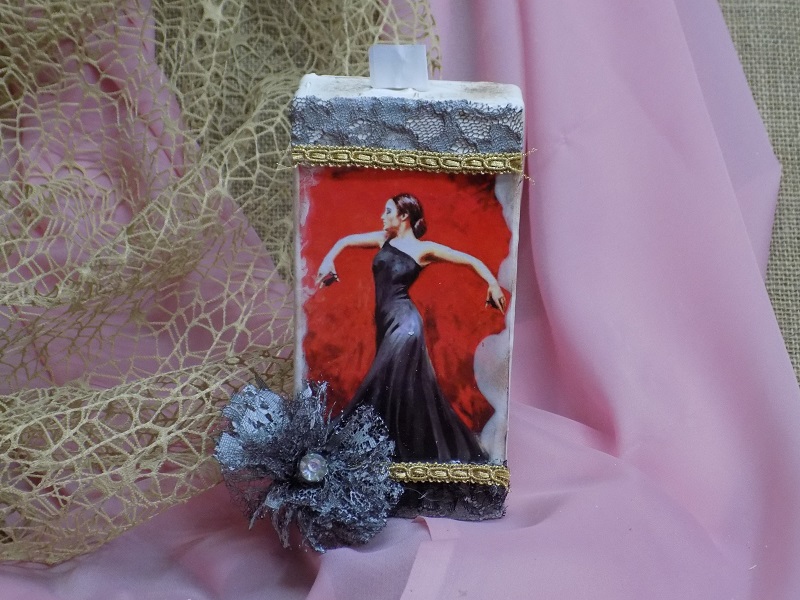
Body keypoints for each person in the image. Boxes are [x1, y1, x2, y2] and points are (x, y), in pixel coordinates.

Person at [315, 193, 505, 462]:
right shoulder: (384, 239)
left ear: (404, 216)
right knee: (400, 389)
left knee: (381, 383)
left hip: (406, 326)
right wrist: (328, 260)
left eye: (387, 211)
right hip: (386, 323)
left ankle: (353, 453)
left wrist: (493, 284)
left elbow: (469, 260)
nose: (382, 216)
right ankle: (397, 457)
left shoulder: (423, 250)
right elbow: (344, 241)